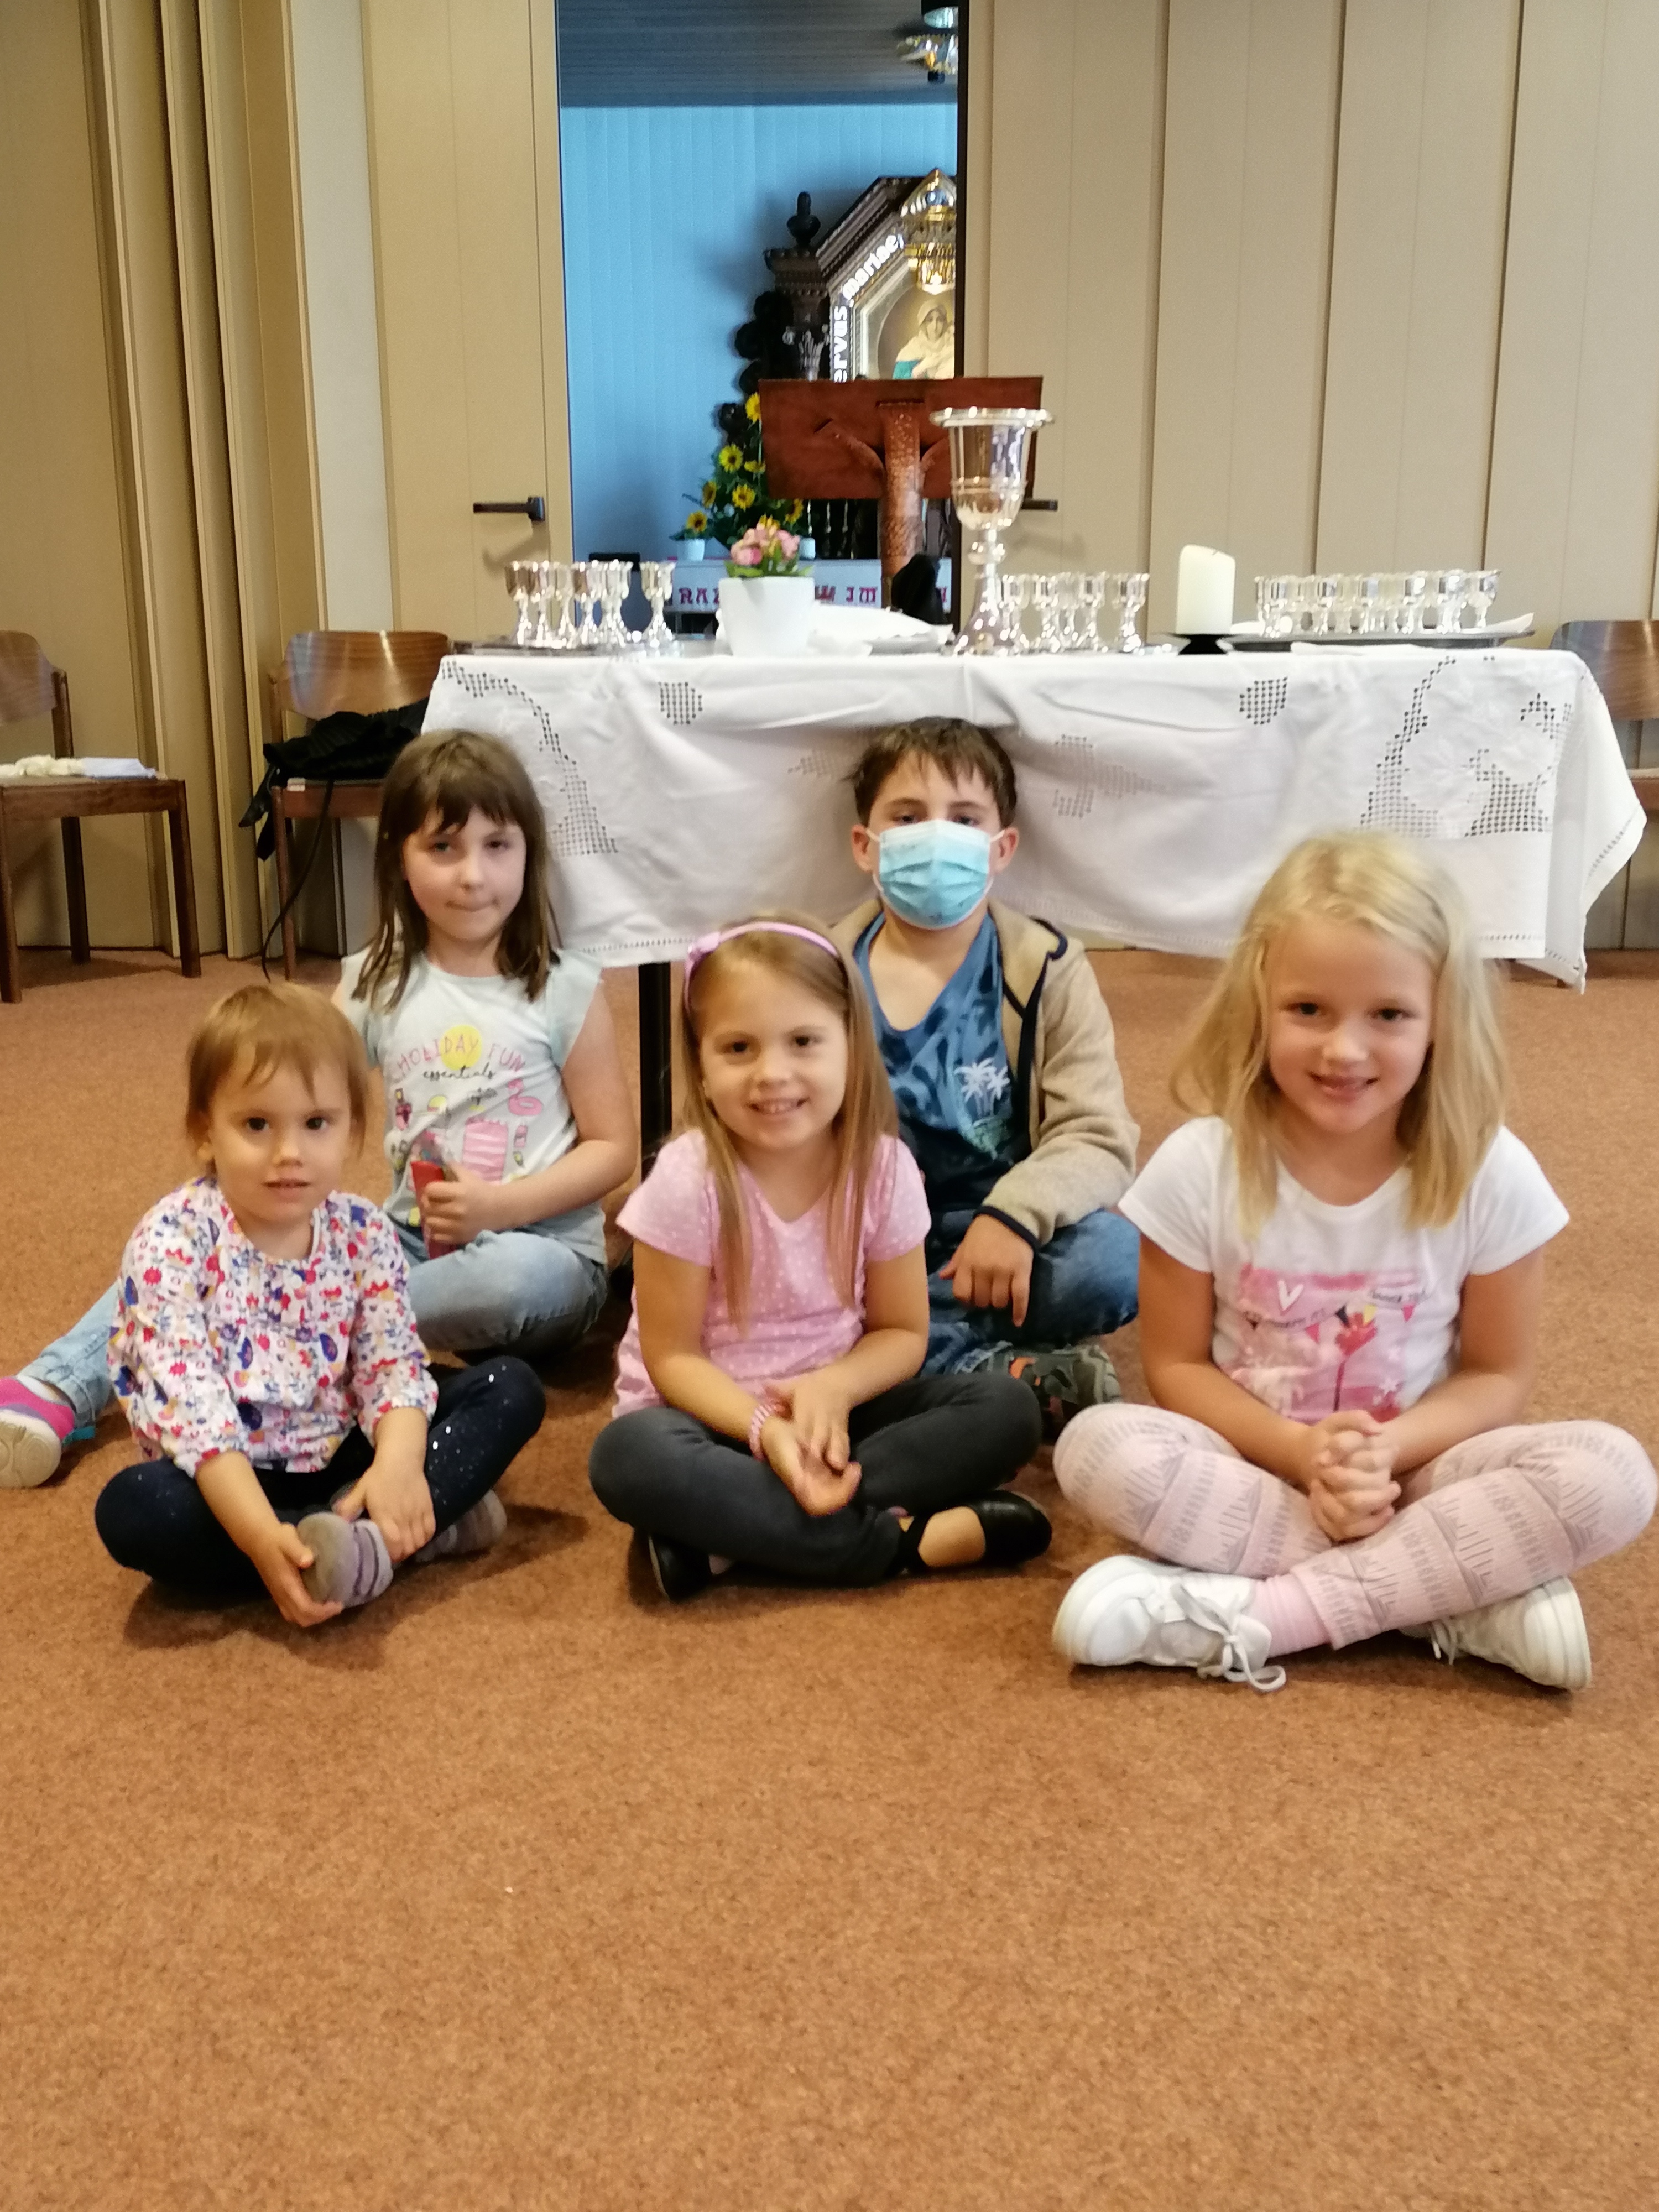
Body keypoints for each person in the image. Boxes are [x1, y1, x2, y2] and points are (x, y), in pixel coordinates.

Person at [1051, 832, 1656, 1694]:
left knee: (1615, 1474)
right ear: (1258, 1003)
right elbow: (1177, 1367)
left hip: (1421, 1473)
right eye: (1309, 1010)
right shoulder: (1197, 1166)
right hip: (1255, 1466)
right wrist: (1302, 1455)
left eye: (1389, 1015)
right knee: (1094, 1447)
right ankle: (1450, 1597)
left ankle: (1269, 1616)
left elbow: (1496, 1376)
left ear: (1441, 1018)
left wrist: (1385, 1454)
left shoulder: (1492, 1173)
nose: (1344, 1050)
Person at [0, 728, 635, 1488]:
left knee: (517, 1279)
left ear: (529, 853)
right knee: (205, 1232)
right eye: (444, 848)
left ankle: (286, 1322)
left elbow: (613, 1150)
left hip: (542, 1256)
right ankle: (56, 1383)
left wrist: (499, 1208)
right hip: (407, 1242)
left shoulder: (563, 987)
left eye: (498, 846)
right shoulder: (378, 980)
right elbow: (297, 1087)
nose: (474, 876)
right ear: (399, 854)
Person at [588, 916, 1046, 1600]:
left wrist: (832, 1388)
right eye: (738, 1047)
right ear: (702, 1069)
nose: (773, 1073)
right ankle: (897, 1544)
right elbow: (673, 1358)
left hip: (838, 1418)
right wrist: (764, 1429)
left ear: (852, 1049)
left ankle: (736, 1537)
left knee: (1006, 1409)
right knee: (626, 1458)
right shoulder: (686, 1179)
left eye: (804, 1041)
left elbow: (902, 1333)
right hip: (708, 1422)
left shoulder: (884, 1169)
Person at [93, 983, 546, 1622]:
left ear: (350, 1130)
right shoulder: (172, 1239)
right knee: (133, 1509)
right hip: (235, 1478)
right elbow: (195, 1414)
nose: (289, 1153)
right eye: (256, 1124)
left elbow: (392, 1365)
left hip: (347, 1446)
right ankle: (385, 1538)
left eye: (316, 1124)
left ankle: (367, 1535)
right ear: (204, 1131)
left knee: (510, 1387)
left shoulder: (363, 1230)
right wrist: (258, 1536)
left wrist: (399, 1465)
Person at [832, 717, 1140, 1437]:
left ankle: (889, 1364)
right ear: (865, 845)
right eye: (908, 817)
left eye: (964, 818)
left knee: (1117, 1260)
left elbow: (1098, 1135)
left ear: (1002, 848)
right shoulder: (823, 970)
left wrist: (1013, 1217)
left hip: (998, 1240)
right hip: (861, 1242)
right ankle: (985, 1370)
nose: (936, 835)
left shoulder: (1047, 968)